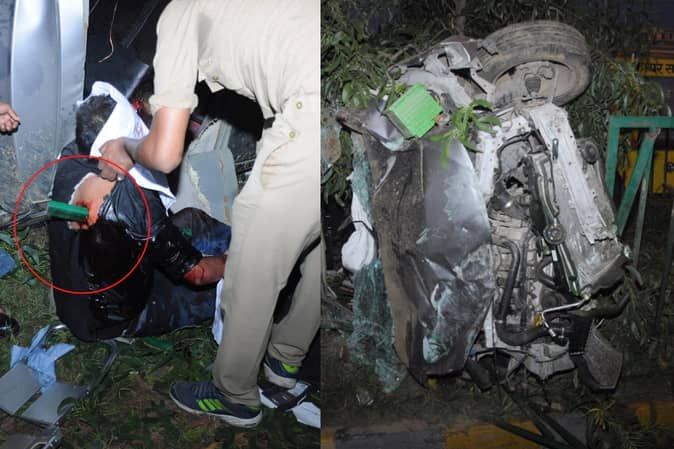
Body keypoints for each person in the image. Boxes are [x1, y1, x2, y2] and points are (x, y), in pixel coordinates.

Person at [93, 0, 319, 428]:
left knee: (254, 267)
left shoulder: (182, 12)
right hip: (344, 99)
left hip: (305, 113)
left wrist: (124, 146)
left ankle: (235, 395)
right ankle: (285, 363)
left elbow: (164, 153)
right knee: (316, 248)